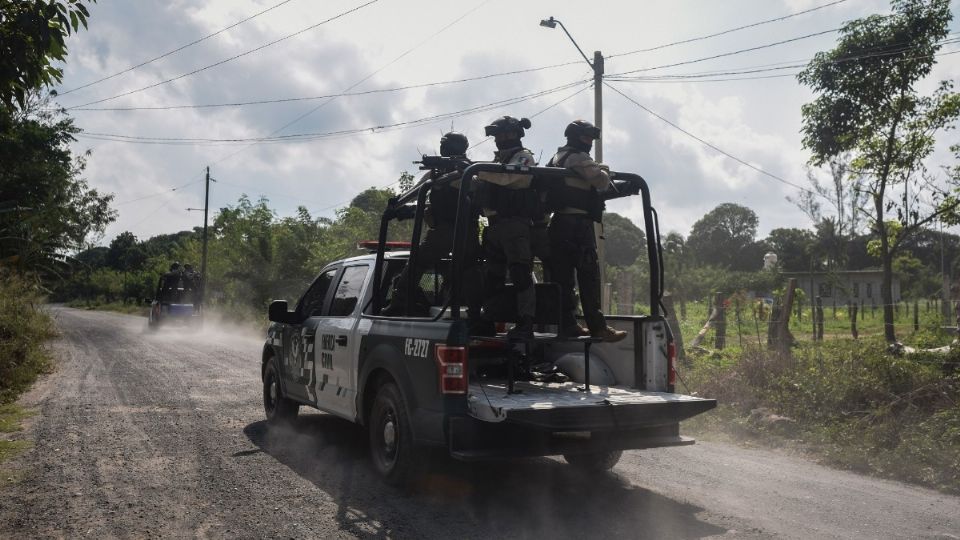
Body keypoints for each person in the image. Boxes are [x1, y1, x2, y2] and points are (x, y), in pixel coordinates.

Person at [383, 132, 480, 317]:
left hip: (453, 229)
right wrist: (397, 205)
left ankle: (399, 302)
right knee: (468, 269)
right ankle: (477, 313)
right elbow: (416, 191)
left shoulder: (467, 169)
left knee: (420, 262)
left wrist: (454, 175)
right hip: (458, 229)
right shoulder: (439, 171)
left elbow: (474, 186)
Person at [546, 120, 626, 342]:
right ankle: (598, 327)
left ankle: (568, 325)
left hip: (559, 224)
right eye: (586, 138)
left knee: (563, 280)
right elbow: (600, 181)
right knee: (588, 276)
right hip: (577, 225)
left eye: (591, 138)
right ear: (575, 137)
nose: (589, 142)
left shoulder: (557, 157)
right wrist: (604, 169)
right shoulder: (578, 157)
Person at [475, 116, 539, 338]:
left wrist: (476, 170)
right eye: (496, 135)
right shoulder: (496, 161)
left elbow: (510, 178)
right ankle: (489, 318)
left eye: (502, 134)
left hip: (515, 224)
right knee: (492, 276)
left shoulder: (524, 157)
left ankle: (525, 323)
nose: (498, 139)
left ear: (514, 134)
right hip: (493, 226)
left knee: (521, 273)